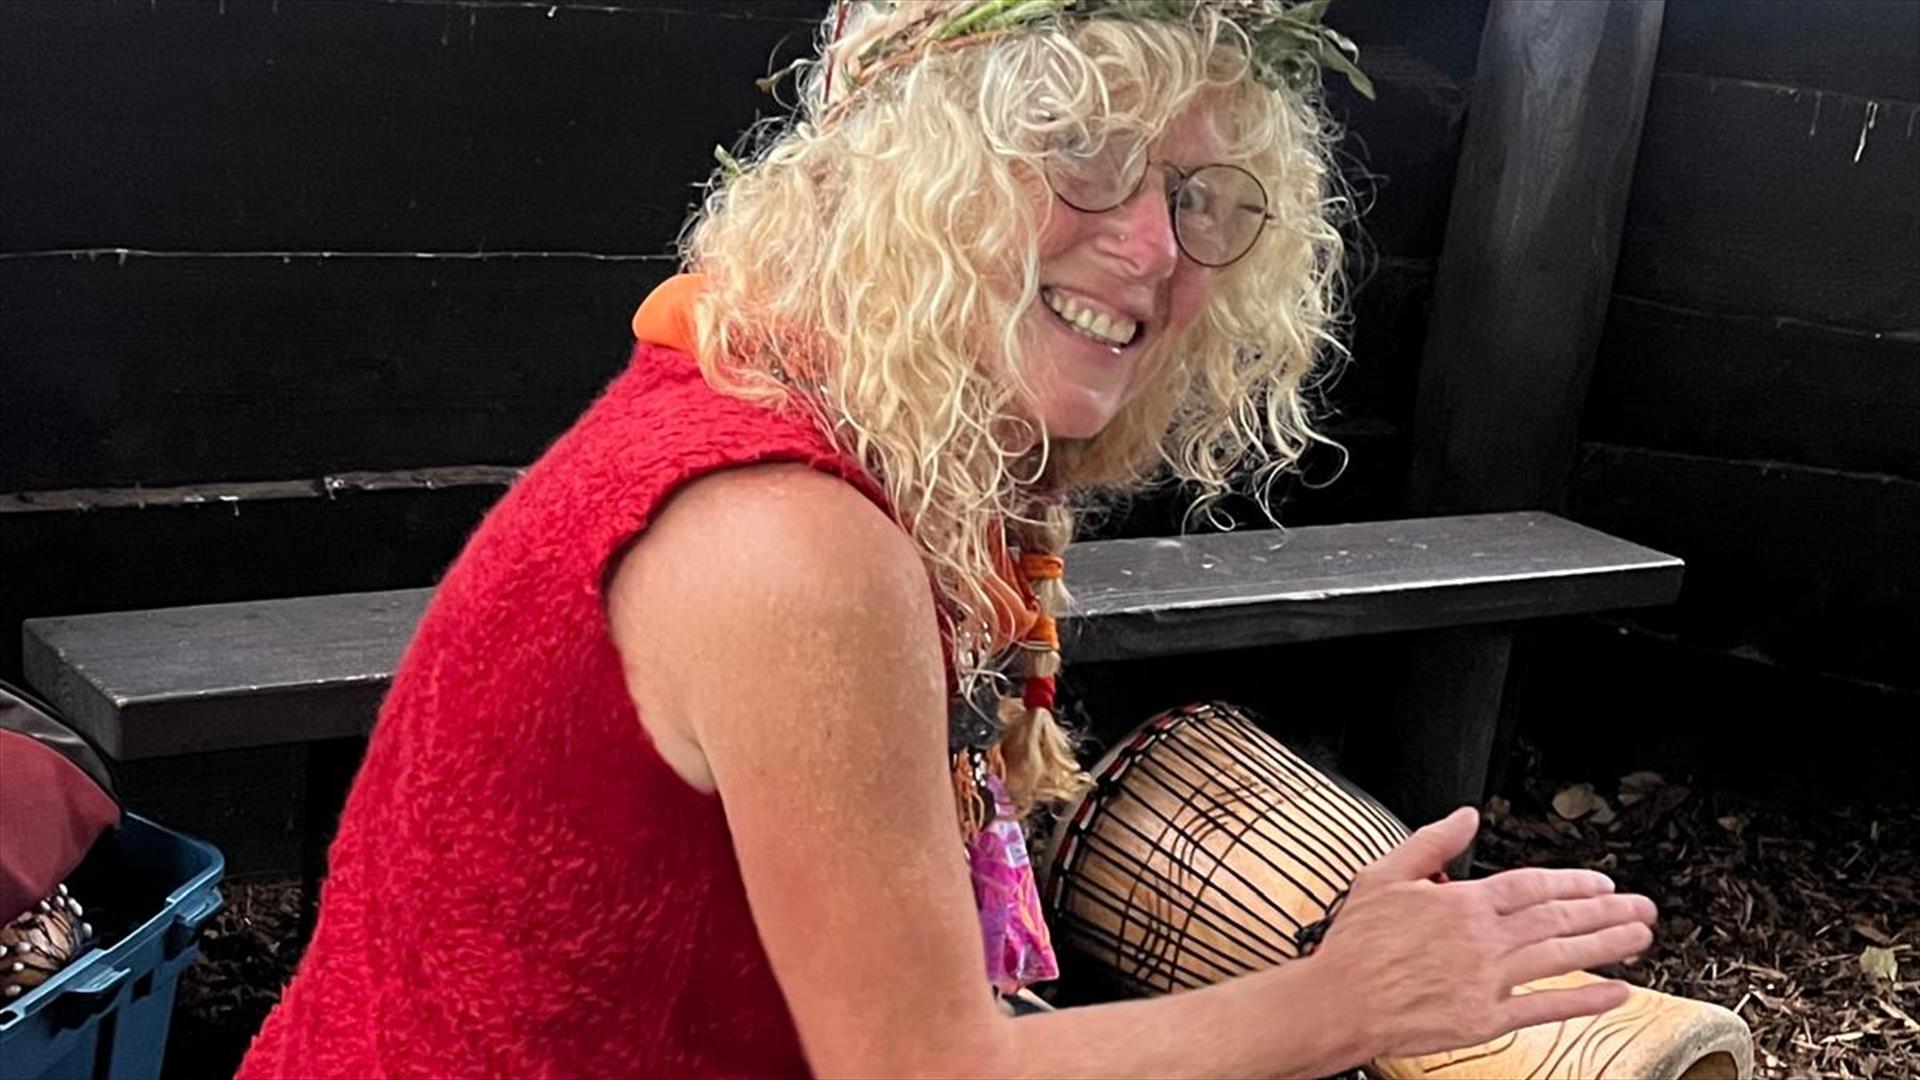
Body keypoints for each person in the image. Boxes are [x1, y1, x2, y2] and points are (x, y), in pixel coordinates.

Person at [239, 2, 1656, 1076]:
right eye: (1086, 159)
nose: (1157, 247)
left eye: (1197, 197)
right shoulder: (787, 539)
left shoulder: (860, 442)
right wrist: (1342, 1001)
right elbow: (920, 1069)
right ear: (919, 175)